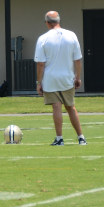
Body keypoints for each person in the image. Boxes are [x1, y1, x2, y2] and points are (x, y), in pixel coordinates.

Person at [35, 10, 86, 146]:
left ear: (47, 23)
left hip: (50, 79)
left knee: (56, 107)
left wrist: (39, 82)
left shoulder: (43, 38)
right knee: (71, 107)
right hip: (67, 77)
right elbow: (78, 60)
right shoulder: (71, 35)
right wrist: (78, 77)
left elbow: (40, 64)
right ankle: (81, 137)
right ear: (58, 21)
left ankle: (59, 139)